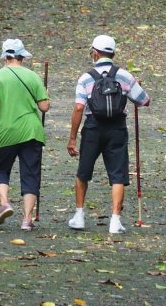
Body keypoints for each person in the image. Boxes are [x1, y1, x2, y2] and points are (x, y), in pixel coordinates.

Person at [67, 34, 150, 234]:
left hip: (93, 128)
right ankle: (115, 220)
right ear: (112, 53)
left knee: (83, 172)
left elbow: (79, 108)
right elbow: (144, 101)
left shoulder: (86, 78)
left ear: (95, 53)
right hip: (117, 128)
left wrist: (72, 137)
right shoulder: (124, 76)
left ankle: (79, 216)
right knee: (118, 175)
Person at [0, 38, 50, 231]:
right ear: (22, 57)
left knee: (0, 169)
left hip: (6, 130)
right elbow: (44, 106)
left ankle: (5, 203)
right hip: (31, 130)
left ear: (5, 57)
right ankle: (27, 219)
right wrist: (47, 94)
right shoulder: (33, 76)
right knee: (30, 174)